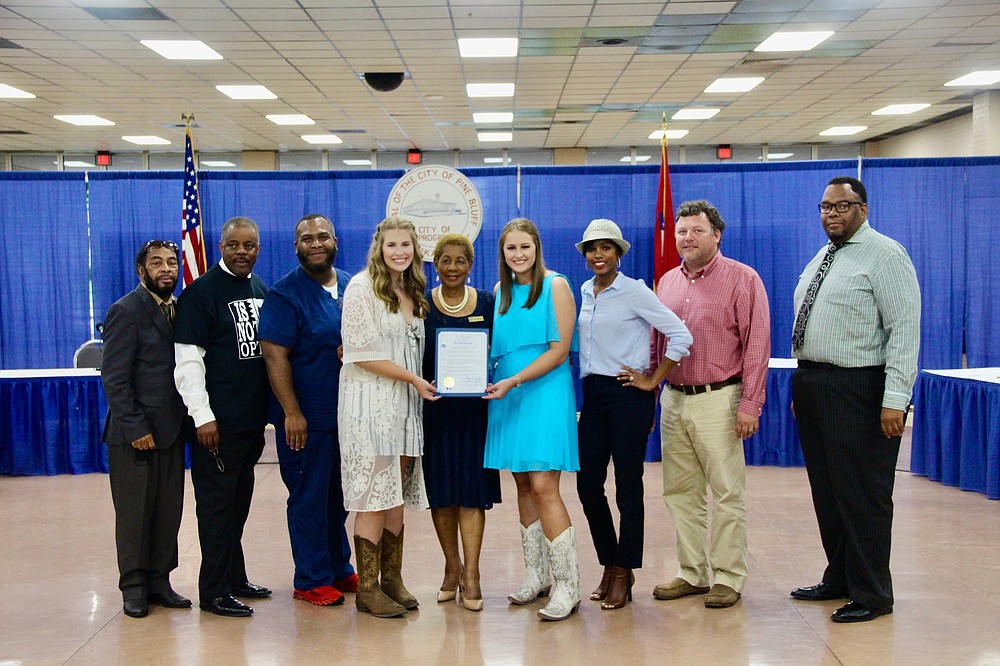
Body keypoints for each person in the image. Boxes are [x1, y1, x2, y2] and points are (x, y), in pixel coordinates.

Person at [790, 176, 920, 623]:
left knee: (863, 495)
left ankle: (873, 593)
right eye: (825, 206)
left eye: (841, 206)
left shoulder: (885, 256)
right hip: (815, 385)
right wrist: (804, 385)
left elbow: (904, 331)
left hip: (859, 388)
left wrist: (895, 399)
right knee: (828, 493)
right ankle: (840, 577)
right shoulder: (824, 256)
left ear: (862, 208)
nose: (831, 214)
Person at [651, 200, 770, 609]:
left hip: (720, 400)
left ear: (717, 234)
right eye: (682, 231)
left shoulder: (742, 279)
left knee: (725, 492)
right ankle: (692, 571)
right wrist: (651, 395)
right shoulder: (666, 282)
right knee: (680, 492)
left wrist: (750, 404)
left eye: (697, 231)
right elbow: (656, 345)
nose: (687, 238)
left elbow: (757, 345)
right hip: (674, 400)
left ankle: (728, 576)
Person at [574, 219, 692, 611]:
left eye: (606, 247)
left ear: (619, 253)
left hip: (628, 395)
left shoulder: (635, 291)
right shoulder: (585, 292)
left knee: (628, 486)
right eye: (592, 248)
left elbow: (680, 336)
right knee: (588, 486)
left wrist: (652, 380)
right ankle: (610, 561)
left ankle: (624, 570)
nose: (598, 255)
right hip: (593, 394)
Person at [339, 216, 438, 618]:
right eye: (391, 245)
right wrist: (415, 379)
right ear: (379, 247)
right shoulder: (362, 287)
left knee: (394, 493)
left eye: (406, 245)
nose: (399, 251)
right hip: (369, 405)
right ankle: (367, 588)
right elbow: (359, 352)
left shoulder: (412, 288)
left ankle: (392, 578)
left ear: (416, 250)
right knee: (373, 494)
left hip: (405, 408)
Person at [483, 217, 581, 622]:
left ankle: (567, 585)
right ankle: (537, 575)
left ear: (537, 247)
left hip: (542, 393)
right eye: (511, 248)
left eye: (525, 246)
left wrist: (515, 380)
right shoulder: (499, 292)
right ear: (502, 253)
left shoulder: (556, 285)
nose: (518, 254)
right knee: (522, 482)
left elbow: (559, 350)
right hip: (507, 395)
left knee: (544, 484)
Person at [173, 216, 271, 618]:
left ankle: (234, 576)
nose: (242, 251)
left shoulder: (261, 289)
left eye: (249, 245)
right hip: (217, 425)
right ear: (221, 247)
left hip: (250, 423)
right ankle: (213, 591)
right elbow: (188, 362)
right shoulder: (200, 294)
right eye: (234, 245)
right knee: (215, 510)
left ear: (258, 248)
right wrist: (202, 416)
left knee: (238, 506)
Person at [259, 213, 357, 607]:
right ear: (295, 247)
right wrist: (292, 412)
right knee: (309, 497)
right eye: (306, 239)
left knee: (338, 498)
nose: (315, 243)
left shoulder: (353, 286)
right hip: (307, 417)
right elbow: (273, 355)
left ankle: (338, 566)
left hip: (346, 416)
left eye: (322, 236)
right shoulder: (286, 294)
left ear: (335, 241)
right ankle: (311, 578)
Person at [101, 239, 192, 619]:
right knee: (135, 514)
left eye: (172, 262)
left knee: (167, 512)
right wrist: (136, 426)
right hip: (134, 436)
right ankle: (134, 587)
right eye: (157, 263)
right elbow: (115, 378)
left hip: (171, 433)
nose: (166, 269)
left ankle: (160, 581)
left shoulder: (180, 309)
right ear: (142, 270)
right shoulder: (126, 311)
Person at [421, 233, 502, 613]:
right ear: (435, 265)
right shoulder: (422, 305)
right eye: (445, 261)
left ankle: (472, 574)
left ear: (470, 265)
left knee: (471, 495)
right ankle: (450, 569)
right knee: (442, 496)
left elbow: (499, 353)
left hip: (474, 415)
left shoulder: (487, 302)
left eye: (460, 261)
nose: (453, 268)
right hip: (435, 413)